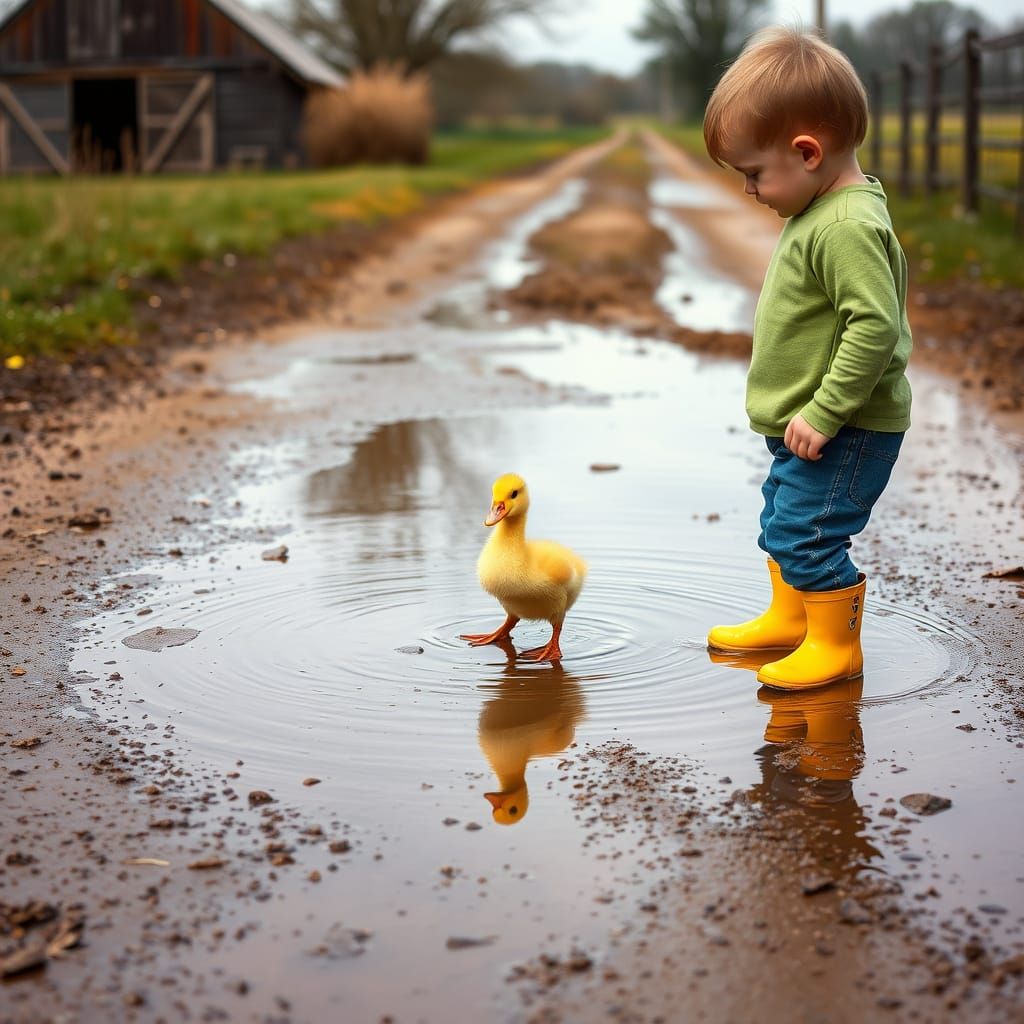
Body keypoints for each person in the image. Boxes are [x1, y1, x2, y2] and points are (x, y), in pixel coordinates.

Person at [702, 26, 912, 691]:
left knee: (809, 534)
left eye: (754, 174)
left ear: (807, 152)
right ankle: (792, 619)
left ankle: (835, 646)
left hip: (846, 427)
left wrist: (824, 412)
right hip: (816, 425)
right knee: (782, 519)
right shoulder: (822, 211)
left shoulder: (846, 226)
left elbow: (874, 328)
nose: (749, 190)